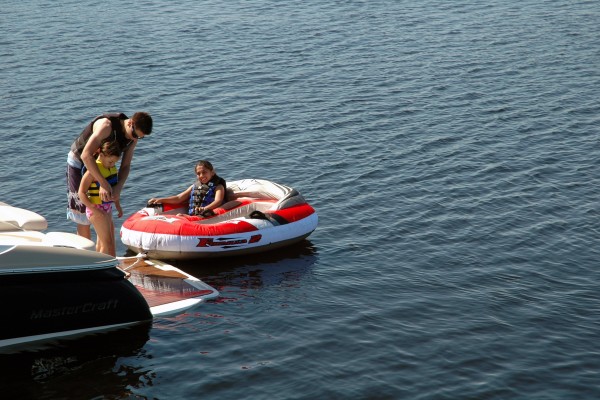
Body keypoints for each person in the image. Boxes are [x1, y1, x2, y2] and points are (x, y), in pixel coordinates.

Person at [67, 112, 152, 239]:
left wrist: (119, 187)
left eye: (140, 137)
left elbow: (125, 165)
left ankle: (101, 255)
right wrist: (103, 183)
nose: (135, 139)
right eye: (134, 134)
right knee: (84, 217)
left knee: (104, 219)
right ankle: (85, 255)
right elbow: (86, 155)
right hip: (79, 161)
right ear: (130, 123)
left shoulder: (132, 139)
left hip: (102, 164)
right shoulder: (107, 126)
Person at [78, 140, 123, 256]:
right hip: (96, 209)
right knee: (106, 242)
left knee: (106, 240)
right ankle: (104, 267)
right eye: (110, 161)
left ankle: (106, 264)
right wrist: (94, 208)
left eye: (114, 162)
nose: (112, 165)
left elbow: (113, 190)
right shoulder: (93, 171)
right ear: (101, 155)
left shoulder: (111, 168)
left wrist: (118, 205)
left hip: (107, 207)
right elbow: (81, 192)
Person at [148, 160, 226, 218]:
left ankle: (185, 217)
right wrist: (160, 199)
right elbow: (179, 198)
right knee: (179, 216)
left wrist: (204, 208)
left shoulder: (218, 187)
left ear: (212, 172)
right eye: (198, 173)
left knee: (180, 216)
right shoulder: (194, 186)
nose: (201, 175)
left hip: (207, 214)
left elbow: (218, 201)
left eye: (204, 172)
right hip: (193, 215)